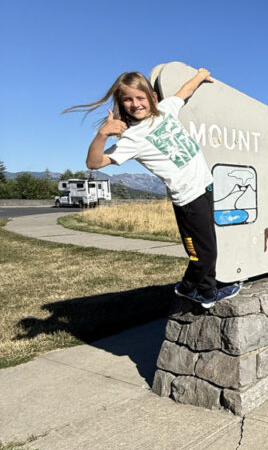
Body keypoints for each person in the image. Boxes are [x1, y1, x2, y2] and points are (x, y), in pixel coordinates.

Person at [65, 69, 240, 309]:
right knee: (203, 253)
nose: (135, 104)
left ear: (152, 97)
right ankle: (187, 288)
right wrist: (102, 134)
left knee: (209, 246)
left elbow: (184, 92)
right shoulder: (131, 139)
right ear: (121, 104)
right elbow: (94, 163)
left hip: (205, 187)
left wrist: (200, 75)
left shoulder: (166, 110)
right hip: (188, 199)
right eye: (128, 99)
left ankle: (208, 292)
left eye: (140, 97)